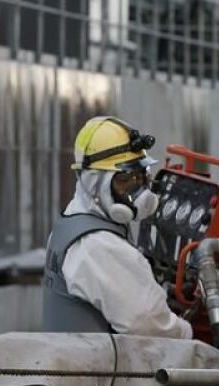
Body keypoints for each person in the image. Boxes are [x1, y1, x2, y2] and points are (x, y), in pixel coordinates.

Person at [43, 116, 192, 338]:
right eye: (126, 180)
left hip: (76, 364)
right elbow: (152, 327)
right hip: (99, 369)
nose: (140, 192)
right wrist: (191, 332)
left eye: (142, 177)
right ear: (94, 183)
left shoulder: (70, 225)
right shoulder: (98, 246)